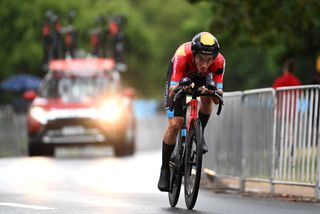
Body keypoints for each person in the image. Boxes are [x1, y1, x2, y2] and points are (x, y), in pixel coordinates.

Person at [158, 32, 225, 192]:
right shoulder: (182, 54)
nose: (204, 64)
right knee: (175, 125)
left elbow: (219, 95)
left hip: (203, 80)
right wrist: (182, 88)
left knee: (208, 98)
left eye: (209, 60)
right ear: (193, 54)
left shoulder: (220, 61)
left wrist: (212, 91)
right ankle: (165, 169)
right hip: (181, 79)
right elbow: (173, 90)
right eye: (200, 58)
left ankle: (198, 133)